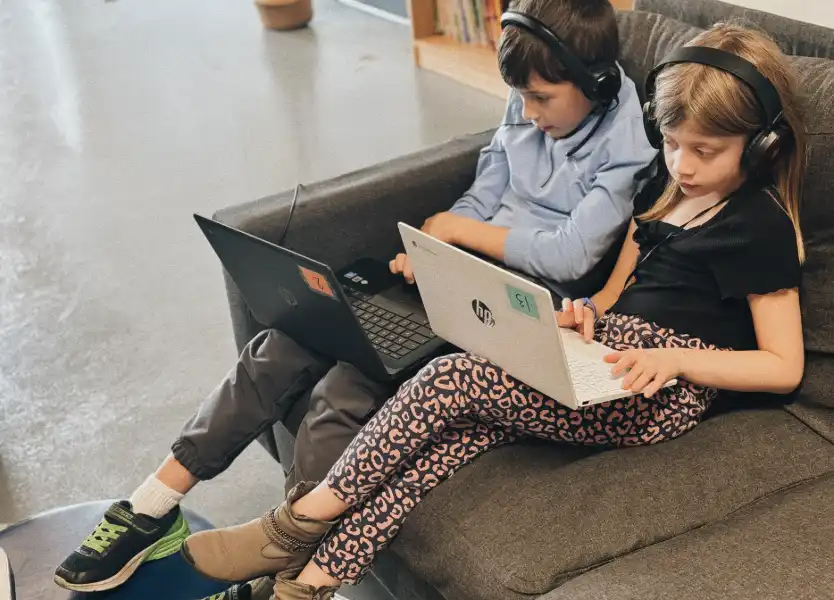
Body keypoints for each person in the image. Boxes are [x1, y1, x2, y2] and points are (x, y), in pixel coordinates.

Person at [181, 21, 809, 600]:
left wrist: (672, 360)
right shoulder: (663, 189)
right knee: (438, 450)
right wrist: (583, 315)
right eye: (671, 143)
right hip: (604, 357)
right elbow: (612, 297)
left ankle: (294, 524)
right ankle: (305, 587)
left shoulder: (759, 227)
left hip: (657, 391)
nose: (683, 164)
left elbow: (783, 366)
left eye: (705, 151)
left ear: (762, 147)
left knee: (453, 377)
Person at [53, 0, 655, 593]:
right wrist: (432, 245)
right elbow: (486, 189)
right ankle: (153, 506)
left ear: (596, 84)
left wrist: (460, 235)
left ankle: (284, 560)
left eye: (541, 99)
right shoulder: (531, 99)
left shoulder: (631, 145)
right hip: (451, 275)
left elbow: (571, 255)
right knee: (286, 342)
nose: (527, 111)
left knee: (349, 384)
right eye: (519, 96)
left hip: (505, 307)